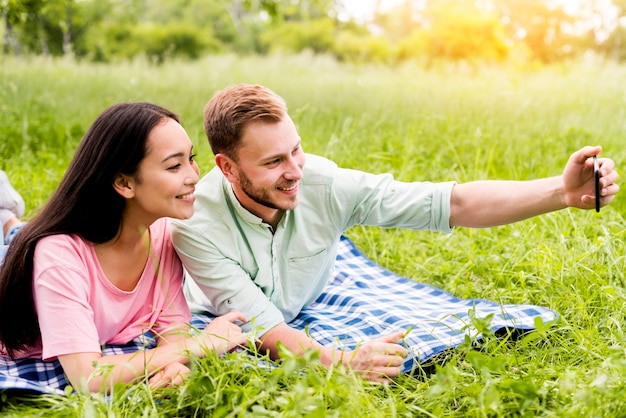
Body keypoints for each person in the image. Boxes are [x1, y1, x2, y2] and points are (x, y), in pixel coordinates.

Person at [171, 83, 620, 383]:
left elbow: (452, 203)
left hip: (305, 292)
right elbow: (262, 325)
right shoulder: (194, 223)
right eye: (273, 162)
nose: (294, 172)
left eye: (297, 150)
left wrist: (560, 192)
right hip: (223, 310)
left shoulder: (323, 184)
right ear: (227, 167)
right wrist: (343, 363)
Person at [0, 103, 247, 394]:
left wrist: (174, 366)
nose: (194, 175)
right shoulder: (59, 255)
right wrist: (200, 344)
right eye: (174, 166)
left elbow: (172, 328)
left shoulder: (163, 234)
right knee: (20, 238)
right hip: (29, 262)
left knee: (19, 231)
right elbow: (87, 378)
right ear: (123, 183)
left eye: (190, 158)